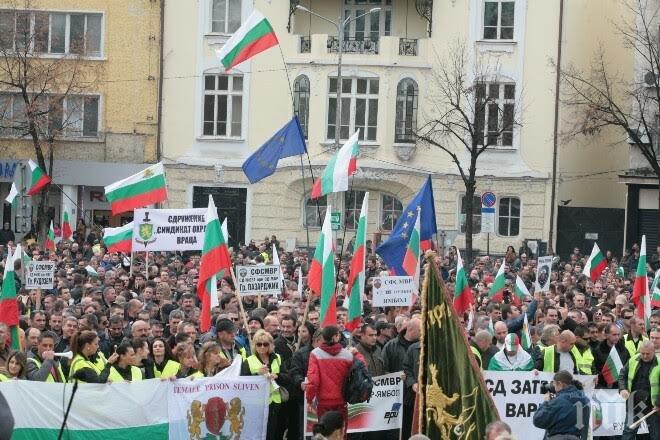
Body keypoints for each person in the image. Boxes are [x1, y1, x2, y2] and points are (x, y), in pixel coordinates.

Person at [306, 325, 364, 437]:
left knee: (324, 434)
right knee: (341, 434)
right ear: (336, 336)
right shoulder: (348, 354)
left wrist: (309, 399)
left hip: (323, 402)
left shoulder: (315, 354)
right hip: (341, 401)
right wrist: (356, 353)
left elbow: (313, 381)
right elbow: (363, 367)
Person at [240, 329, 285, 440]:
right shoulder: (248, 361)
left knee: (274, 432)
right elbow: (243, 382)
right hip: (257, 403)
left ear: (270, 345)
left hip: (275, 402)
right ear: (254, 345)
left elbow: (287, 376)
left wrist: (277, 375)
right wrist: (258, 374)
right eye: (259, 344)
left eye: (265, 344)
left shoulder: (277, 358)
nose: (262, 347)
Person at [618, 341, 659, 439]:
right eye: (642, 353)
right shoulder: (633, 360)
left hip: (652, 405)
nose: (644, 356)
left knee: (656, 435)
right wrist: (622, 388)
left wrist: (659, 403)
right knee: (628, 433)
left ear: (654, 351)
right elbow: (622, 375)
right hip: (634, 401)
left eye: (647, 354)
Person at [533, 370, 590, 439]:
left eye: (554, 384)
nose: (553, 387)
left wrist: (546, 402)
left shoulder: (559, 401)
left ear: (559, 384)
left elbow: (538, 420)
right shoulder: (584, 399)